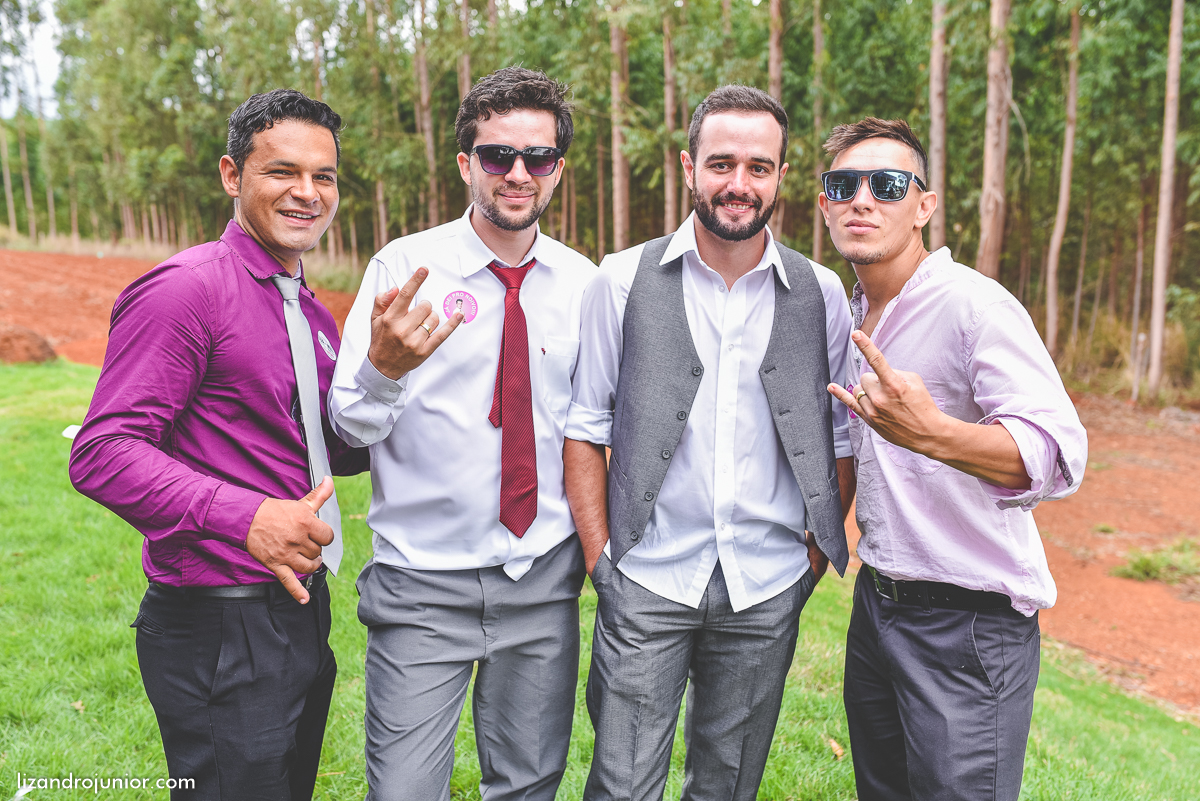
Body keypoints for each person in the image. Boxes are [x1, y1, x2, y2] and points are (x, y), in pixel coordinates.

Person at [68, 89, 368, 800]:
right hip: (218, 621)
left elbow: (324, 446)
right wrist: (248, 516)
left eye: (323, 176)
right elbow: (103, 449)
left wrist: (387, 380)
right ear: (233, 175)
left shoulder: (312, 311)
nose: (307, 193)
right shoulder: (186, 291)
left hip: (299, 609)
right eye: (282, 172)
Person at [564, 85, 855, 801]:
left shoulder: (821, 295)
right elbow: (585, 427)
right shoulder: (621, 278)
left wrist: (808, 562)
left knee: (728, 785)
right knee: (623, 783)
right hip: (648, 578)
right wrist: (605, 563)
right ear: (689, 166)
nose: (739, 184)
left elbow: (840, 440)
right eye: (722, 163)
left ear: (782, 177)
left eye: (760, 167)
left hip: (767, 585)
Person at [329, 67, 596, 801]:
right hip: (422, 584)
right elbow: (350, 423)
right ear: (464, 164)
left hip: (541, 583)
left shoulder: (585, 286)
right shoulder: (403, 268)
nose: (517, 173)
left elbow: (598, 433)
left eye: (537, 157)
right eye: (496, 155)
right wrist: (383, 368)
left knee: (527, 785)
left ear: (558, 170)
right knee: (405, 790)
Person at [819, 117, 1088, 801]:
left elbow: (1057, 453)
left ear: (924, 206)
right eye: (843, 185)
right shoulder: (852, 309)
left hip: (969, 625)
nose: (862, 200)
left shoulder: (973, 305)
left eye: (887, 184)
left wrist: (933, 432)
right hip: (878, 607)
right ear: (823, 204)